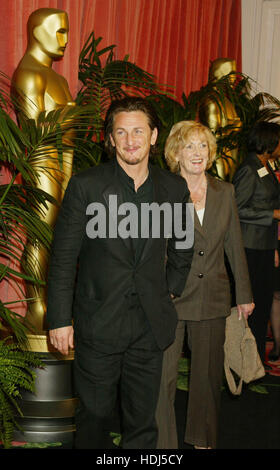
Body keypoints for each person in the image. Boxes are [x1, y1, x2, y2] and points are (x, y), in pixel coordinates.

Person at [46, 97, 194, 449]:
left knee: (143, 422)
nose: (131, 140)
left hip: (149, 325)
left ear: (154, 136)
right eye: (121, 132)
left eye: (138, 131)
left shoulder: (173, 188)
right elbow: (64, 259)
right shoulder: (87, 186)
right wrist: (58, 319)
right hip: (99, 322)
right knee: (94, 418)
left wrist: (170, 289)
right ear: (110, 139)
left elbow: (183, 245)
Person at [156, 120, 253, 449]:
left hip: (212, 296)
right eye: (189, 146)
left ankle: (203, 440)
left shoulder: (225, 191)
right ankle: (162, 445)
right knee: (163, 377)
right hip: (169, 297)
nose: (197, 152)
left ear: (210, 152)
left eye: (202, 145)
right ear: (176, 153)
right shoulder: (162, 191)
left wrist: (245, 295)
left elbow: (234, 245)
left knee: (207, 378)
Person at [11, 8, 76, 332]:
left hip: (61, 162)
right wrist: (72, 115)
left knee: (55, 238)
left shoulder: (58, 78)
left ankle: (50, 304)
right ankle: (36, 307)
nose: (65, 39)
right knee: (40, 237)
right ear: (38, 32)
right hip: (40, 164)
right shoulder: (28, 74)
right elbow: (35, 132)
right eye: (59, 31)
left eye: (66, 31)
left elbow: (69, 136)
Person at [233, 121, 280, 364]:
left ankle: (256, 362)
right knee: (251, 308)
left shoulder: (266, 166)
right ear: (269, 142)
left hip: (264, 247)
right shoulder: (249, 169)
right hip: (249, 248)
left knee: (262, 307)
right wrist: (271, 215)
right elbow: (236, 209)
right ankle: (243, 362)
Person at [199, 58, 241, 181]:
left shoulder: (226, 102)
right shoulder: (211, 101)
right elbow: (213, 136)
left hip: (230, 155)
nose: (234, 79)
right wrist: (235, 128)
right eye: (231, 74)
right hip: (218, 157)